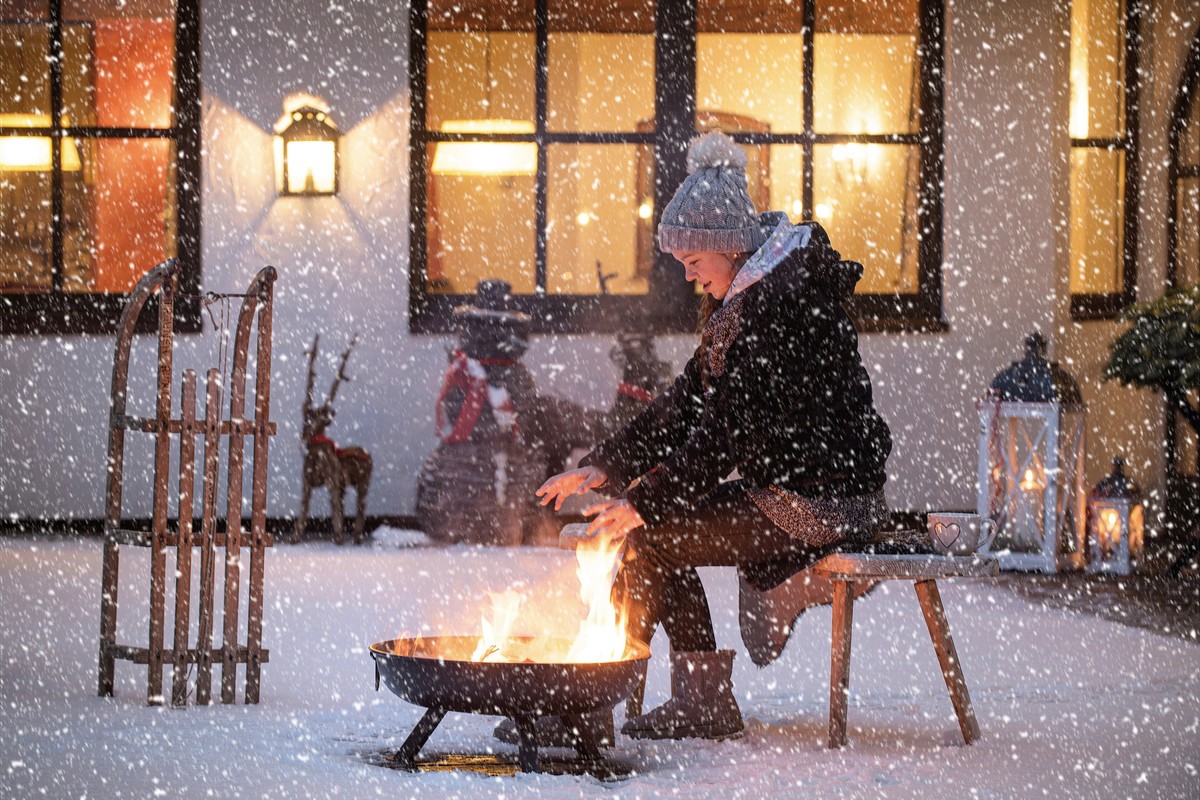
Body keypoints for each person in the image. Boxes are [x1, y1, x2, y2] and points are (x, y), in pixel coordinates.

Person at [537, 130, 893, 741]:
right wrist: (603, 467)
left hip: (818, 500)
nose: (691, 278)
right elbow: (688, 402)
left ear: (728, 247)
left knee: (652, 537)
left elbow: (724, 435)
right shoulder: (748, 300)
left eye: (694, 263)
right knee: (650, 532)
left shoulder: (776, 308)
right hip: (789, 487)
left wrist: (643, 504)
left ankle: (613, 703)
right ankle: (631, 700)